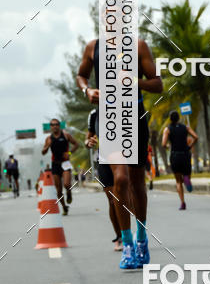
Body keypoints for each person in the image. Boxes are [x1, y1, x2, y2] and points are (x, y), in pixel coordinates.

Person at [77, 37, 163, 269]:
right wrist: (87, 90)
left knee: (137, 183)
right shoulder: (92, 48)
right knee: (120, 179)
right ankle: (126, 244)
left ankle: (141, 237)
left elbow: (158, 84)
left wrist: (134, 81)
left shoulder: (138, 45)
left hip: (135, 118)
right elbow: (81, 75)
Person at [86, 108, 121, 251]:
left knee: (128, 198)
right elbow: (88, 138)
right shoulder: (94, 114)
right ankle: (120, 237)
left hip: (125, 157)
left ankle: (139, 233)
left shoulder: (123, 106)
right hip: (105, 160)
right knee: (112, 201)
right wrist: (89, 142)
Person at [161, 111, 198, 210]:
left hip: (175, 155)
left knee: (178, 181)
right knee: (186, 174)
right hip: (185, 154)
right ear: (178, 118)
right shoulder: (186, 127)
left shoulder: (167, 129)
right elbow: (196, 137)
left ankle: (182, 203)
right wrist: (190, 146)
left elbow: (163, 144)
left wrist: (169, 147)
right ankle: (186, 179)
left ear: (170, 119)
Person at [41, 121, 79, 215]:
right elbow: (43, 152)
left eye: (56, 125)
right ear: (50, 127)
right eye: (53, 125)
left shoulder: (66, 135)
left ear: (59, 126)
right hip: (55, 164)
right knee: (58, 190)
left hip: (65, 163)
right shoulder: (49, 139)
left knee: (66, 184)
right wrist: (47, 146)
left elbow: (76, 144)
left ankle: (69, 193)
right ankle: (64, 207)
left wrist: (69, 153)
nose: (55, 126)